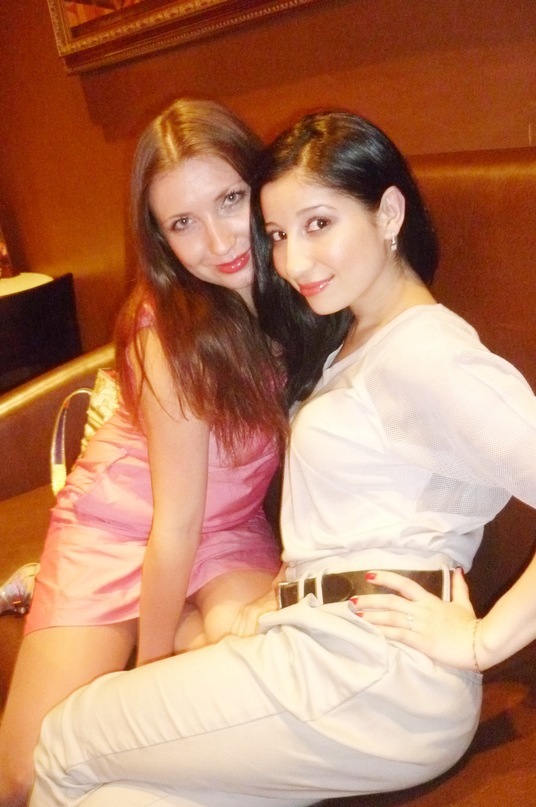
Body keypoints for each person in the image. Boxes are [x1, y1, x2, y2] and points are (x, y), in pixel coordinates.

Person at [28, 109, 536, 807]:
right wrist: (275, 598)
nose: (294, 261)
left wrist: (484, 642)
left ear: (389, 213)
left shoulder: (428, 353)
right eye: (279, 234)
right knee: (112, 799)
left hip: (373, 674)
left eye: (319, 223)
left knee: (65, 740)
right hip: (321, 645)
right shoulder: (346, 337)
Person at [0, 98, 292, 807]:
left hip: (227, 529)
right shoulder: (168, 331)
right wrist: (150, 680)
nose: (218, 240)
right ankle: (78, 592)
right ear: (159, 238)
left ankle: (178, 619)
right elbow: (173, 525)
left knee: (268, 670)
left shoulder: (304, 287)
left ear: (262, 185)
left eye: (230, 200)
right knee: (22, 775)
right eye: (182, 223)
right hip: (124, 526)